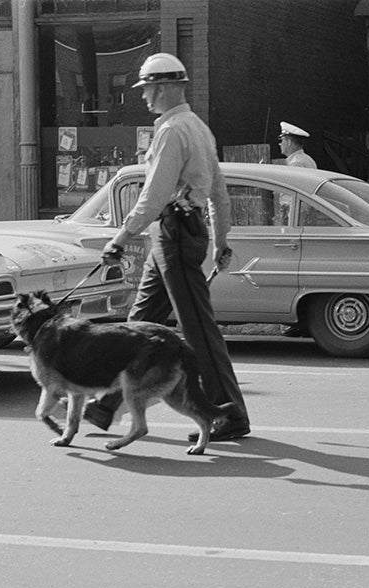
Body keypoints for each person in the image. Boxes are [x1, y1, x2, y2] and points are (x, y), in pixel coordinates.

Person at [83, 53, 250, 442]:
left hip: (174, 232)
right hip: (176, 233)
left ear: (162, 88)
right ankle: (106, 406)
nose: (143, 97)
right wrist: (221, 238)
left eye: (146, 89)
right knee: (137, 326)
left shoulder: (173, 131)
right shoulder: (197, 128)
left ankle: (230, 415)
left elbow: (154, 196)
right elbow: (220, 193)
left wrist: (121, 237)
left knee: (198, 332)